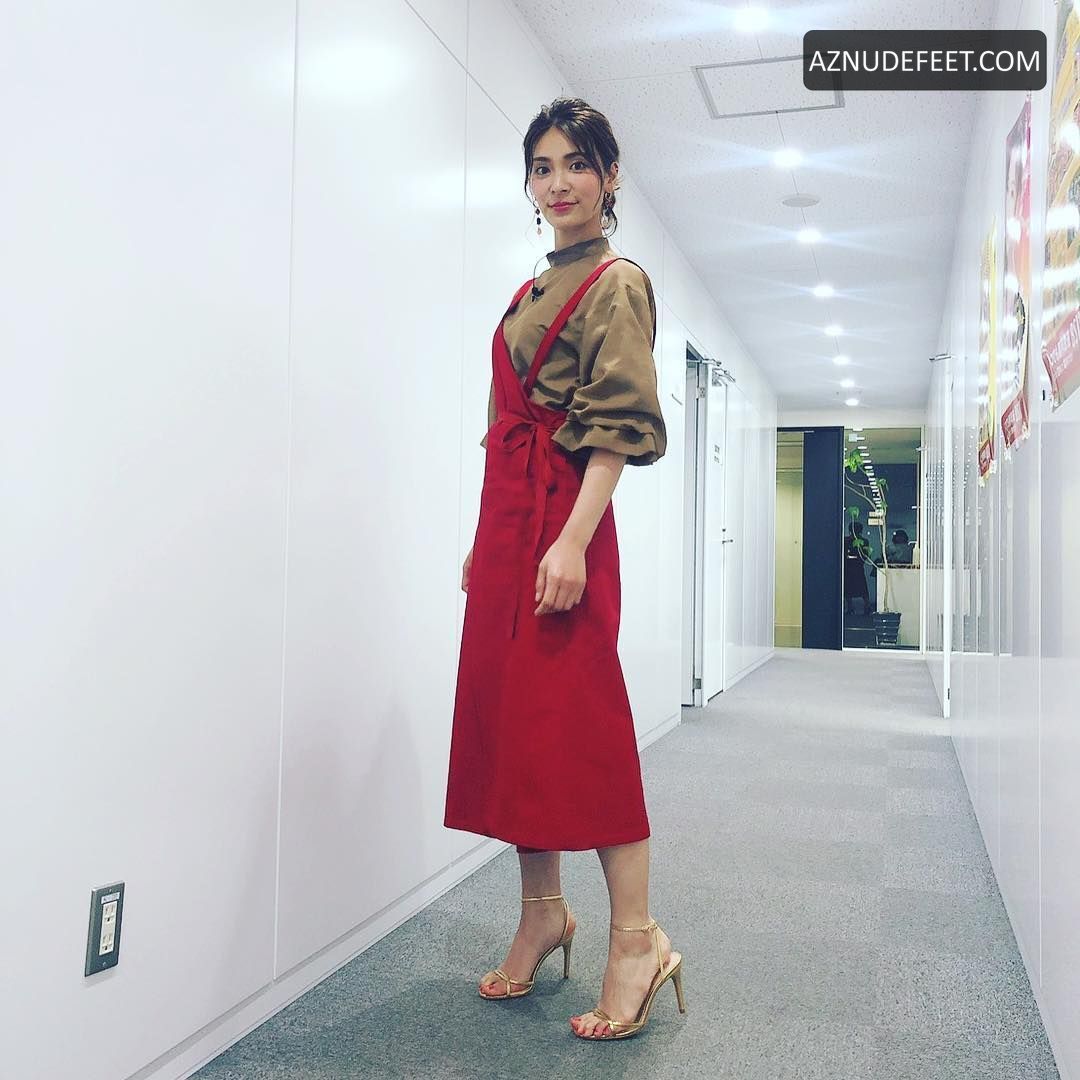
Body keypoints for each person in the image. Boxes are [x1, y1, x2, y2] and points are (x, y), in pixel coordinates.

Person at [442, 98, 686, 1041]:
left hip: (563, 523)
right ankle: (543, 913)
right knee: (516, 728)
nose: (558, 183)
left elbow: (614, 430)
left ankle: (637, 938)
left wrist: (574, 539)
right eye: (542, 167)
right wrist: (488, 537)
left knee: (586, 730)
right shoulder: (533, 286)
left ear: (610, 176)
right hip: (512, 524)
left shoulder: (618, 284)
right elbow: (503, 429)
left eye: (577, 163)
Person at [844, 520, 871, 615]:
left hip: (854, 566)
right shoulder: (847, 540)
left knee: (857, 587)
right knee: (855, 587)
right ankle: (862, 606)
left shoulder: (861, 541)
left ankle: (856, 607)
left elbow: (865, 554)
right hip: (852, 566)